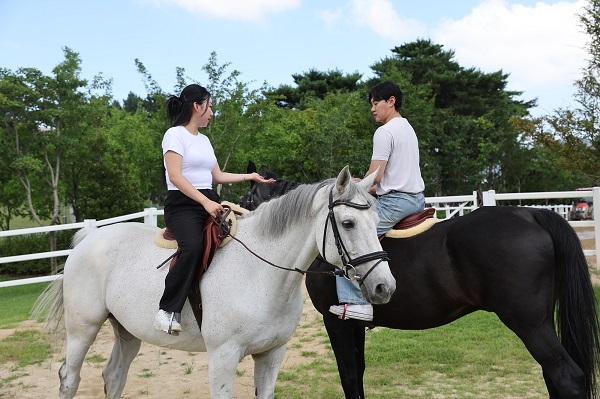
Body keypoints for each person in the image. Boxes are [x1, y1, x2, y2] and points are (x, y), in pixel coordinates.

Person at [154, 83, 274, 334]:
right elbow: (175, 176)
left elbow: (216, 176)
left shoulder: (204, 140)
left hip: (209, 199)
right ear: (197, 106)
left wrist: (250, 176)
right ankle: (167, 310)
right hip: (183, 205)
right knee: (193, 247)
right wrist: (206, 202)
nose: (212, 112)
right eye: (210, 107)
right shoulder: (174, 135)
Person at [329, 81, 425, 322]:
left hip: (395, 202)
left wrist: (355, 185)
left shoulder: (385, 132)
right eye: (371, 104)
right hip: (416, 199)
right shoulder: (407, 128)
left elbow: (376, 177)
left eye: (375, 103)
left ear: (391, 101)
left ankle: (355, 302)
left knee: (347, 238)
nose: (372, 108)